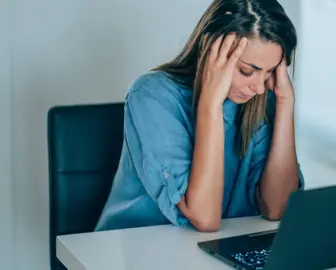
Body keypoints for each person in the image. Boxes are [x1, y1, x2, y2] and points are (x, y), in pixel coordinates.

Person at [95, 0, 305, 233]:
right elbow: (205, 218)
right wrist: (210, 103)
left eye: (270, 72)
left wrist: (286, 103)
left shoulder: (260, 97)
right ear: (211, 48)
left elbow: (278, 207)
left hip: (211, 250)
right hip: (137, 249)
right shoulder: (151, 95)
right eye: (247, 71)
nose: (258, 87)